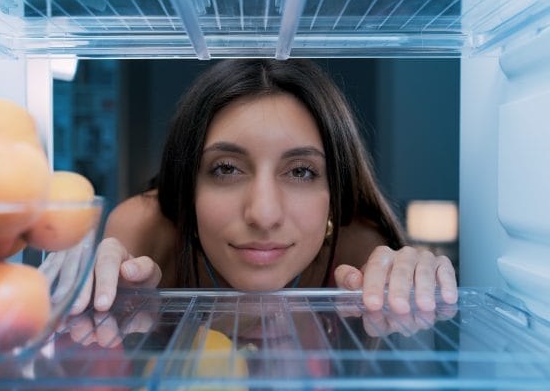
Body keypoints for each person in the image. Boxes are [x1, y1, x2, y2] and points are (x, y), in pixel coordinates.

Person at [72, 59, 457, 316]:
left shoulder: (356, 248)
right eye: (225, 169)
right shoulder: (146, 229)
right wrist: (85, 296)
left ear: (335, 194)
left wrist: (417, 287)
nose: (263, 214)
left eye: (301, 172)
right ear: (188, 183)